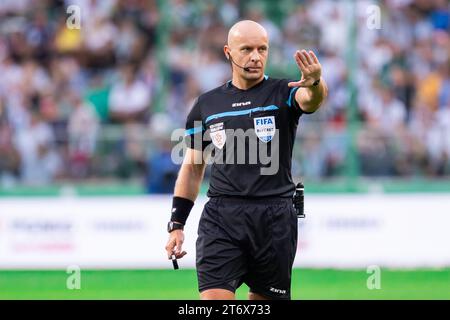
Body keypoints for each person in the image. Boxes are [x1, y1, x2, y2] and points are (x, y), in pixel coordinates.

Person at [165, 20, 328, 300]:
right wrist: (177, 224)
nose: (255, 56)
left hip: (274, 217)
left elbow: (311, 100)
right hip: (222, 216)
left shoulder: (284, 91)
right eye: (247, 49)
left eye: (262, 49)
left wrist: (314, 82)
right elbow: (192, 167)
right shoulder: (206, 105)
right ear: (228, 52)